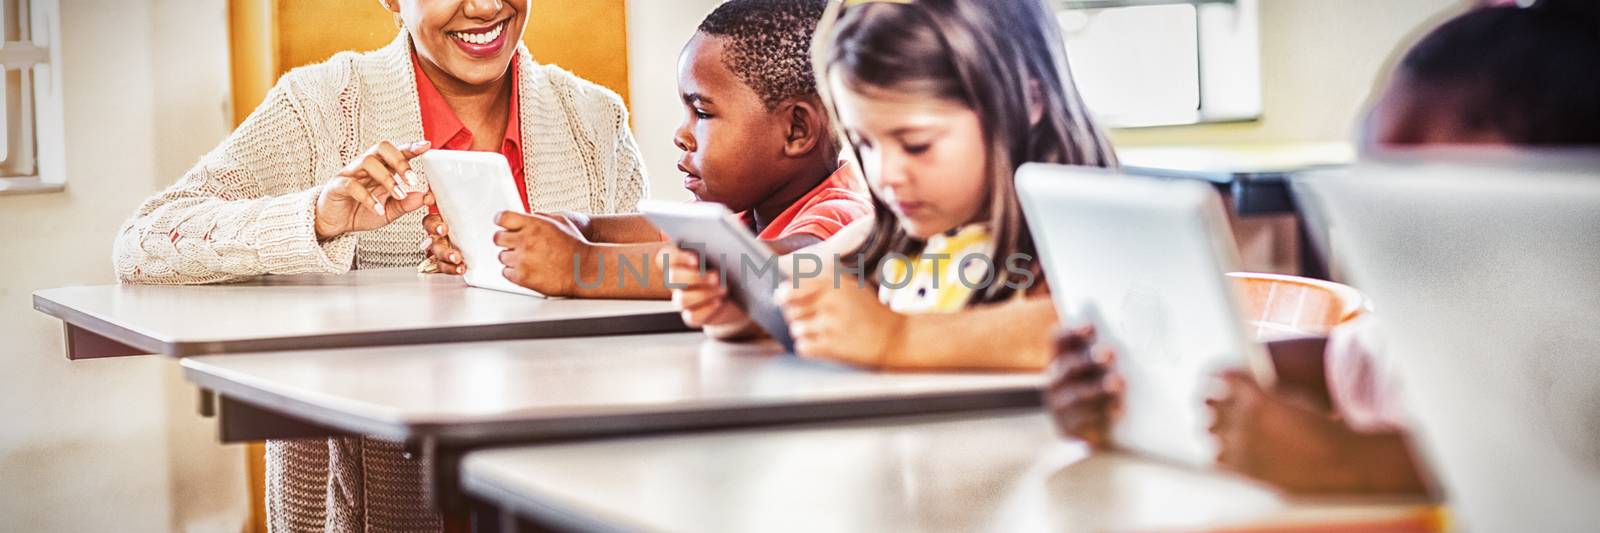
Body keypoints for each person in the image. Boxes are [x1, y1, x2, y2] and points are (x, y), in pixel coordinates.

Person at [112, 0, 645, 530]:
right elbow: (142, 244)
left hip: (560, 495)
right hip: (372, 512)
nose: (485, 6)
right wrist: (316, 218)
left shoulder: (595, 120)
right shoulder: (320, 107)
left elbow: (653, 308)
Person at [1048, 0, 1600, 495]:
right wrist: (1134, 380)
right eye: (1369, 187)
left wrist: (1349, 463)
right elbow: (1332, 362)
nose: (1389, 237)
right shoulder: (1434, 328)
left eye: (1424, 199)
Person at [669, 0, 1117, 368]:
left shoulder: (1078, 240)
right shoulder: (890, 234)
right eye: (864, 143)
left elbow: (1087, 327)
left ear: (1028, 101)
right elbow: (789, 283)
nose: (885, 174)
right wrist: (743, 310)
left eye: (916, 145)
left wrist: (899, 337)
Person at [476, 0, 872, 299]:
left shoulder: (843, 215)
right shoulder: (748, 208)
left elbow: (767, 267)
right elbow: (660, 234)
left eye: (702, 112)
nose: (682, 134)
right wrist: (571, 228)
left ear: (797, 130)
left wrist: (583, 265)